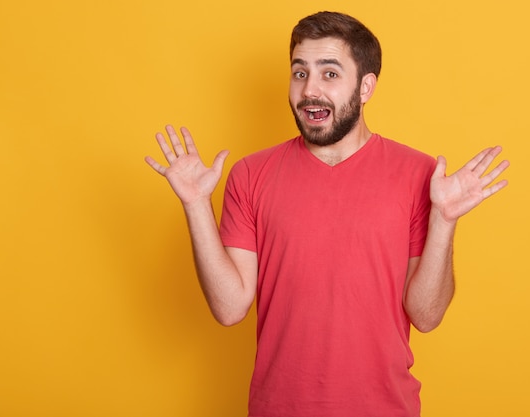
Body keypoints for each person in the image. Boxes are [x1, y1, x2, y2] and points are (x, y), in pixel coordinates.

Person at [145, 11, 509, 417]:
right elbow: (229, 309)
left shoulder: (420, 175)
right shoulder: (250, 175)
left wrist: (445, 220)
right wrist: (196, 205)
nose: (309, 90)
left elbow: (426, 315)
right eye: (300, 73)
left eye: (329, 74)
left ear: (366, 86)